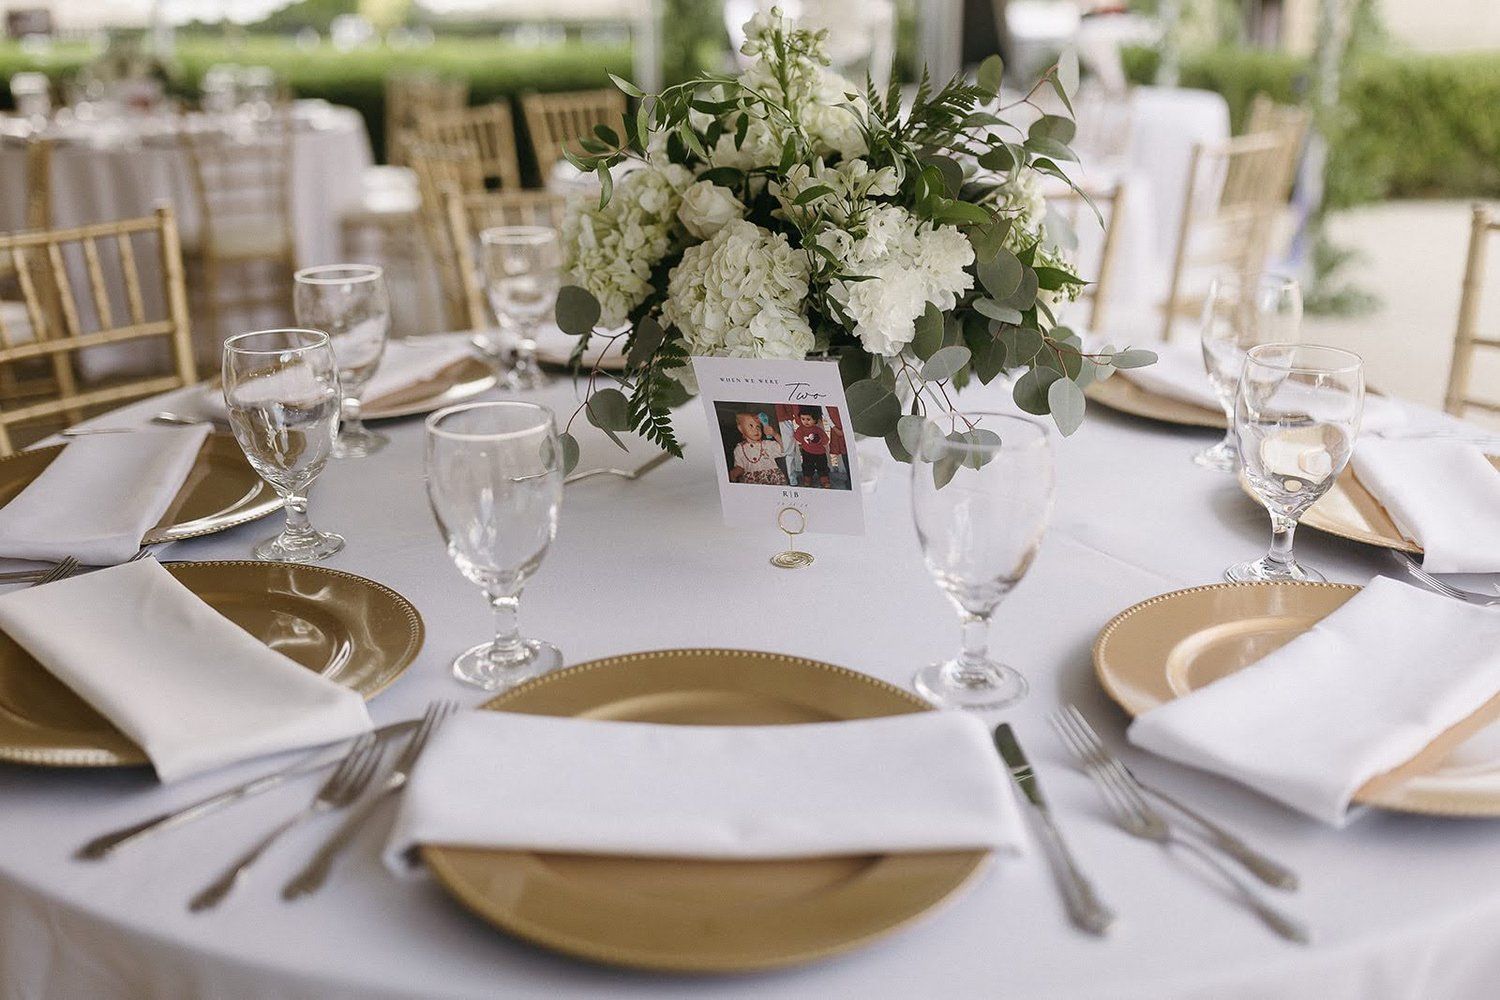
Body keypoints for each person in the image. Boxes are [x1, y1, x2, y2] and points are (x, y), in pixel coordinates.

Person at [728, 410, 787, 485]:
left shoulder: (767, 445)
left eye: (758, 427)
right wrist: (734, 473)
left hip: (773, 480)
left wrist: (775, 434)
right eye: (751, 426)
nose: (756, 430)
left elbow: (785, 449)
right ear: (741, 429)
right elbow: (740, 466)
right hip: (752, 482)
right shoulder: (739, 448)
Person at [793, 406, 831, 489]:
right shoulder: (801, 429)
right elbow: (797, 437)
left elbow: (825, 440)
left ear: (815, 420)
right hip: (807, 452)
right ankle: (807, 479)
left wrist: (820, 440)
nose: (805, 422)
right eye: (803, 419)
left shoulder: (818, 430)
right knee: (807, 466)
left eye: (808, 419)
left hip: (820, 453)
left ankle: (824, 480)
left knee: (822, 466)